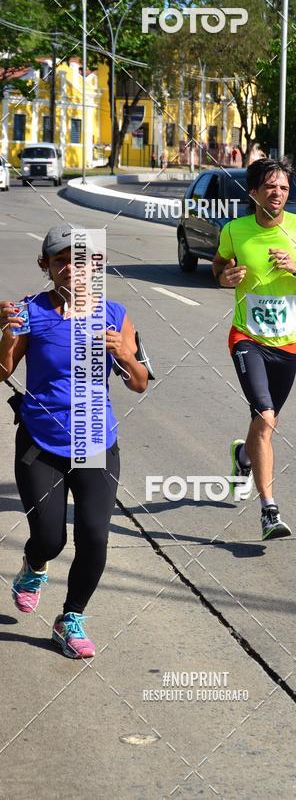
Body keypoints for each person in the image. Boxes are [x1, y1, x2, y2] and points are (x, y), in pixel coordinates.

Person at [0, 224, 149, 658]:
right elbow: (3, 372)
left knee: (95, 535)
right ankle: (34, 565)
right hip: (40, 444)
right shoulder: (28, 313)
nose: (72, 269)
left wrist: (123, 354)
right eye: (62, 261)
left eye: (82, 261)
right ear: (46, 266)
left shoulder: (115, 315)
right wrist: (6, 338)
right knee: (50, 538)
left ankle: (71, 618)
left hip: (96, 442)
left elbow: (139, 383)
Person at [212, 159, 296, 540]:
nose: (277, 193)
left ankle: (243, 457)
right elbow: (218, 268)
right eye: (269, 186)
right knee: (264, 417)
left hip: (289, 344)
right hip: (246, 338)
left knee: (267, 423)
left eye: (282, 187)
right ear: (254, 193)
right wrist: (224, 277)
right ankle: (269, 511)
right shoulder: (234, 230)